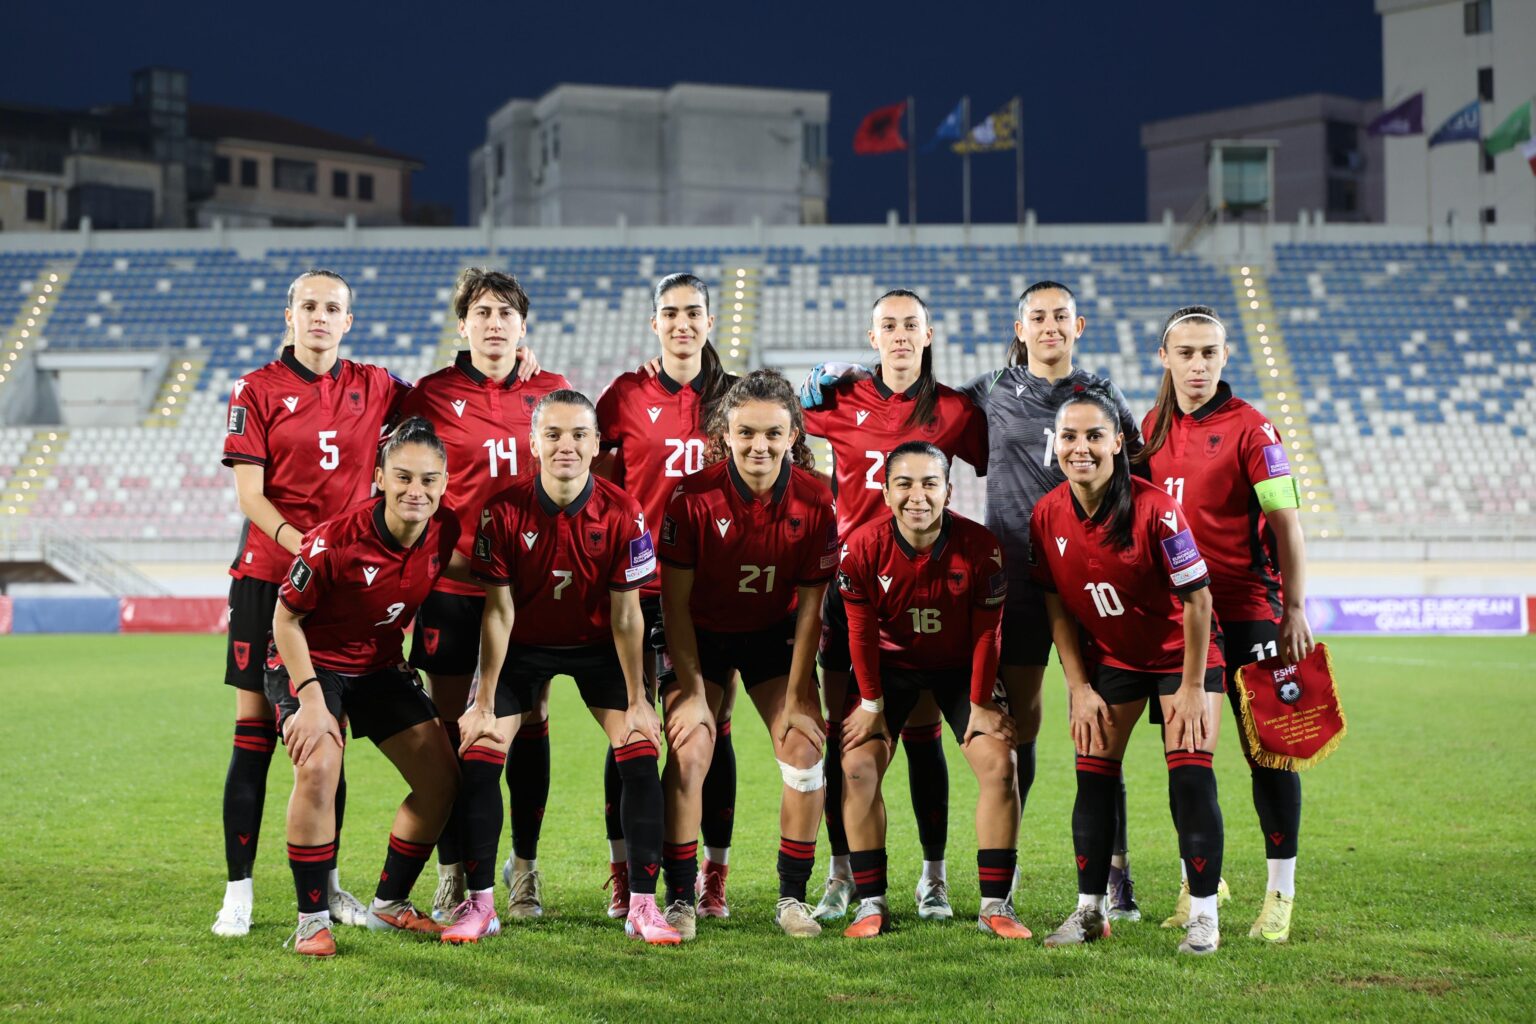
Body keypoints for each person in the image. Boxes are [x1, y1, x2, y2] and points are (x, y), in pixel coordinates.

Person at [214, 269, 409, 937]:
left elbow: (443, 401)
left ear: (348, 321)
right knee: (254, 736)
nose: (320, 316)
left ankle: (325, 887)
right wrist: (304, 545)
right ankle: (238, 892)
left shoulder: (375, 384)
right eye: (309, 306)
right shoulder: (257, 388)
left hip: (338, 588)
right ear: (289, 315)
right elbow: (250, 495)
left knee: (329, 735)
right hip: (268, 576)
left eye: (332, 308)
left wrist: (516, 362)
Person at [452, 390, 679, 946]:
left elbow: (627, 616)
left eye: (579, 435)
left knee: (640, 749)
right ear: (533, 443)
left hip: (596, 646)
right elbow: (498, 613)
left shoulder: (623, 510)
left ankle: (643, 906)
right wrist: (483, 700)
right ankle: (480, 904)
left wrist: (639, 700)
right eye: (552, 434)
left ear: (596, 444)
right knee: (480, 753)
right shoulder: (502, 510)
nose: (566, 446)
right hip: (523, 648)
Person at [801, 289, 988, 924]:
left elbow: (1008, 456)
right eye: (889, 325)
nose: (901, 334)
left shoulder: (955, 410)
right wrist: (808, 385)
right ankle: (841, 874)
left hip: (927, 587)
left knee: (923, 736)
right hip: (850, 589)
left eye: (912, 325)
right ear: (872, 336)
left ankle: (933, 878)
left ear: (928, 335)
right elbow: (777, 425)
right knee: (845, 734)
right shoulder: (841, 398)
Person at [1136, 305, 1314, 943]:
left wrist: (1293, 608)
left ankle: (1280, 894)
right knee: (1186, 757)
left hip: (1249, 614)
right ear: (1164, 357)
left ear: (1225, 356)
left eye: (1209, 352)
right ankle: (1199, 881)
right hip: (1183, 623)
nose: (1198, 365)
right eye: (1185, 353)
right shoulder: (1150, 427)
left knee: (1270, 757)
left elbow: (1287, 524)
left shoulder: (1254, 429)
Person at [395, 267, 567, 923]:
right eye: (483, 312)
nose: (495, 323)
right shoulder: (430, 395)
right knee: (448, 733)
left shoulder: (553, 392)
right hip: (453, 588)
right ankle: (452, 873)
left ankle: (524, 869)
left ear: (524, 326)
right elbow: (406, 485)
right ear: (463, 324)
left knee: (531, 723)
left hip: (528, 596)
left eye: (506, 313)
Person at [1030, 389, 1226, 956]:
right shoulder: (1046, 515)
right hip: (1114, 658)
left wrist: (1192, 687)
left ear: (1117, 442)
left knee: (1190, 777)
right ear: (1056, 444)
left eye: (1094, 436)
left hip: (1182, 657)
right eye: (1070, 436)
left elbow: (1198, 600)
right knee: (1092, 774)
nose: (1081, 448)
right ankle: (1091, 912)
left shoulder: (1157, 509)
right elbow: (1056, 606)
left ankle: (1204, 916)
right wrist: (1078, 687)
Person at [266, 416, 462, 956]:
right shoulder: (335, 540)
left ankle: (390, 904)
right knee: (319, 765)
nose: (415, 490)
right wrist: (310, 700)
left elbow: (464, 573)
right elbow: (285, 620)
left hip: (378, 666)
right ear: (379, 478)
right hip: (310, 663)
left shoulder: (445, 529)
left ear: (444, 483)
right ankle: (311, 919)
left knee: (443, 779)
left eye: (428, 479)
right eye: (403, 477)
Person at [657, 369, 837, 940]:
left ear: (793, 436)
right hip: (700, 636)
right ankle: (680, 898)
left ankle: (792, 898)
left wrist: (800, 692)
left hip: (771, 636)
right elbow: (673, 606)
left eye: (773, 433)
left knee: (805, 749)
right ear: (726, 434)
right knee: (691, 746)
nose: (760, 445)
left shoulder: (816, 497)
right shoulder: (690, 496)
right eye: (747, 433)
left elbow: (811, 609)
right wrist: (692, 693)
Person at [835, 442, 1027, 939]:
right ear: (885, 492)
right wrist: (871, 704)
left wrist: (981, 703)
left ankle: (995, 905)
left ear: (948, 491)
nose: (916, 496)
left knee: (1001, 764)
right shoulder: (861, 547)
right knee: (857, 767)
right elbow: (860, 631)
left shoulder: (981, 547)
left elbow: (988, 632)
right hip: (890, 668)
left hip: (959, 669)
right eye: (904, 484)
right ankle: (871, 902)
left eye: (929, 484)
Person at [594, 273, 739, 919]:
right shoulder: (624, 395)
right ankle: (624, 873)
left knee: (710, 730)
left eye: (693, 312)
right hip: (633, 590)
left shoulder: (734, 396)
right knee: (628, 731)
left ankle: (713, 874)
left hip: (711, 594)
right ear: (654, 322)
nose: (683, 323)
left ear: (710, 321)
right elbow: (599, 491)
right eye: (671, 313)